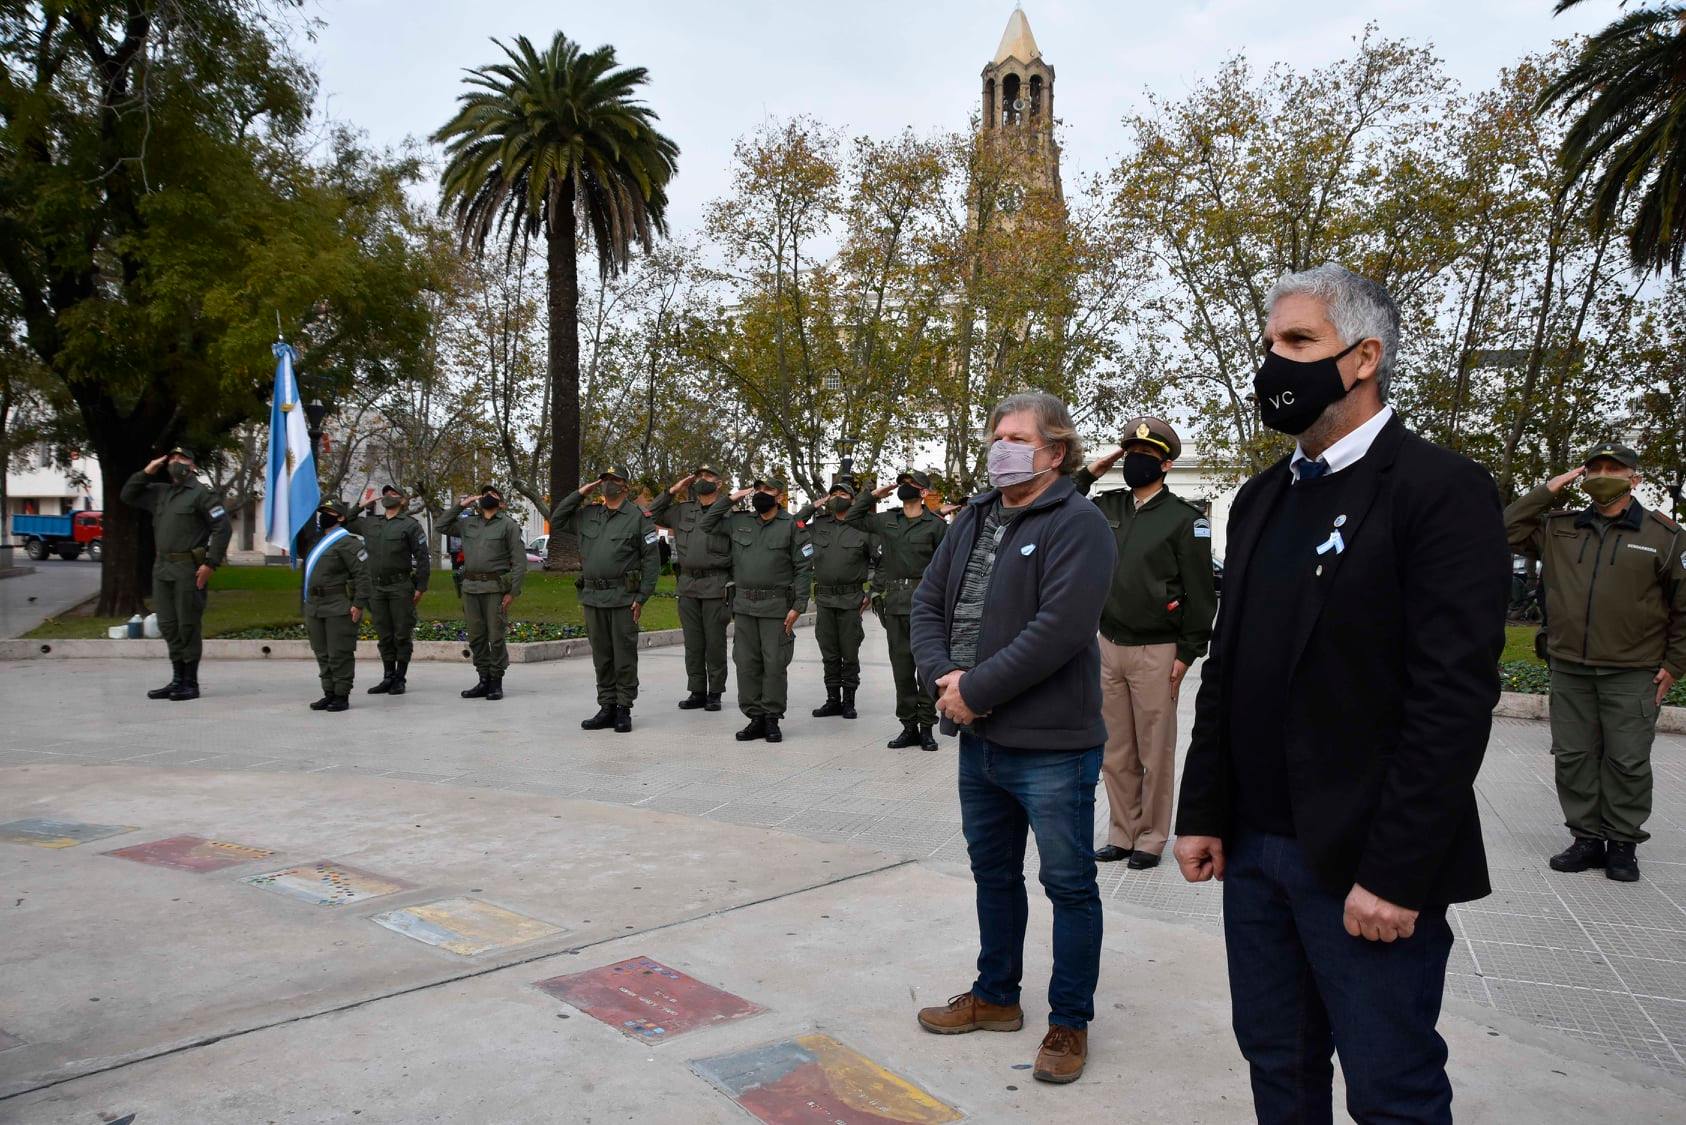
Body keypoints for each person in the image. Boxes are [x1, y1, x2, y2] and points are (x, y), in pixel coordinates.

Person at [1172, 263, 1509, 1124]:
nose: (1273, 362)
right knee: (1277, 1066)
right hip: (1254, 854)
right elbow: (1227, 670)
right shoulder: (1259, 499)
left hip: (1365, 867)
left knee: (1391, 1089)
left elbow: (1451, 702)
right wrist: (1202, 809)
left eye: (1298, 341)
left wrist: (1395, 874)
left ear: (1364, 357)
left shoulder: (1440, 490)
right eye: (1269, 343)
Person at [909, 392, 1116, 1085]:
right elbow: (927, 603)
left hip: (1052, 746)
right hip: (980, 739)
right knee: (993, 875)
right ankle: (996, 996)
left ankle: (1069, 1021)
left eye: (1018, 438)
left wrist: (975, 690)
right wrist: (943, 677)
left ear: (1055, 452)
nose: (1001, 448)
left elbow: (1060, 630)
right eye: (997, 436)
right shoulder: (973, 516)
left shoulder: (1079, 524)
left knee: (1068, 884)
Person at [1505, 442, 1684, 883]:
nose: (1603, 475)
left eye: (1613, 469)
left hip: (1633, 669)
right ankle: (1586, 838)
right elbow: (1503, 529)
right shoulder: (1559, 528)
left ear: (1634, 479)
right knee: (1573, 756)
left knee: (1627, 760)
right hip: (1569, 665)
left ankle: (1622, 844)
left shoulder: (1665, 536)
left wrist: (1675, 663)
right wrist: (1548, 489)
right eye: (1595, 468)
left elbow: (1684, 606)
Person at [1073, 418, 1217, 870]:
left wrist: (1188, 653)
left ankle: (1151, 839)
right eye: (1131, 453)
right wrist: (1093, 470)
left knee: (1155, 751)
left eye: (1146, 456)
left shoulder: (1185, 520)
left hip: (1158, 650)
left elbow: (1201, 593)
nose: (1136, 461)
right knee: (1116, 750)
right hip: (1109, 644)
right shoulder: (1107, 506)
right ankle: (1122, 832)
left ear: (1166, 464)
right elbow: (1058, 498)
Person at [698, 477, 812, 743]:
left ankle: (771, 718)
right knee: (746, 663)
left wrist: (798, 606)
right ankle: (755, 717)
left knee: (774, 664)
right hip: (745, 606)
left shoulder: (792, 525)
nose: (761, 494)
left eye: (768, 490)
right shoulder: (740, 521)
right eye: (758, 489)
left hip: (776, 607)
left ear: (780, 496)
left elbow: (804, 568)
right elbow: (706, 523)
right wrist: (729, 499)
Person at [550, 465, 661, 733]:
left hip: (623, 597)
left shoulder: (638, 518)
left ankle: (623, 708)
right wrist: (580, 493)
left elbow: (651, 561)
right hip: (593, 596)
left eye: (614, 479)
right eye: (604, 479)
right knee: (601, 656)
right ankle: (606, 706)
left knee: (623, 655)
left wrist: (642, 597)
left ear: (625, 486)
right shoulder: (588, 515)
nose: (608, 483)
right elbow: (557, 519)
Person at [120, 446, 232, 702]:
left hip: (187, 569)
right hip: (162, 568)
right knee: (168, 624)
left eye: (182, 458)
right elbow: (128, 495)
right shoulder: (161, 492)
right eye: (172, 458)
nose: (175, 462)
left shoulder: (202, 494)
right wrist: (148, 471)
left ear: (192, 465)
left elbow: (223, 528)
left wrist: (211, 564)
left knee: (187, 624)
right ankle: (177, 678)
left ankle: (190, 682)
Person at [846, 470, 949, 749]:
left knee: (925, 668)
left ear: (924, 492)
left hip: (927, 605)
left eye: (911, 484)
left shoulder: (936, 526)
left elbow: (947, 568)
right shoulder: (887, 520)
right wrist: (872, 495)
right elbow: (852, 517)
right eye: (902, 483)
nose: (905, 487)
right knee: (902, 668)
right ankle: (908, 726)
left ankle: (926, 727)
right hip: (895, 604)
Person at [650, 464, 733, 711]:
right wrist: (672, 491)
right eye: (699, 476)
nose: (702, 479)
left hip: (716, 585)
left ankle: (715, 692)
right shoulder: (682, 511)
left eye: (708, 476)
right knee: (693, 644)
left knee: (715, 643)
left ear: (719, 483)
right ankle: (697, 691)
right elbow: (650, 513)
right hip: (687, 585)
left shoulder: (729, 515)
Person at [439, 484, 525, 701]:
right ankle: (483, 679)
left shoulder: (508, 525)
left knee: (496, 637)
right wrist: (461, 505)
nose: (488, 496)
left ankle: (496, 681)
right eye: (485, 493)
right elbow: (441, 525)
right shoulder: (468, 523)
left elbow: (519, 562)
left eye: (493, 494)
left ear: (501, 503)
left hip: (495, 589)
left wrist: (512, 592)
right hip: (470, 588)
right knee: (476, 637)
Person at [798, 479, 874, 721]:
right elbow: (794, 524)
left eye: (843, 494)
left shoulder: (863, 528)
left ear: (853, 500)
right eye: (834, 494)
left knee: (849, 653)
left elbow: (880, 563)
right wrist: (812, 506)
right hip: (825, 600)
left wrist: (871, 592)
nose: (837, 497)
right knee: (829, 653)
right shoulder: (818, 526)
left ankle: (849, 702)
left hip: (851, 600)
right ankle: (832, 700)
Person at [351, 484, 431, 696]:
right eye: (386, 493)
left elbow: (422, 557)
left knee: (401, 633)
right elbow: (346, 521)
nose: (388, 496)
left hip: (400, 586)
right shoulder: (370, 523)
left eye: (393, 494)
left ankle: (399, 678)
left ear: (403, 500)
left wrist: (421, 587)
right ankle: (388, 676)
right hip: (376, 587)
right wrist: (361, 505)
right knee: (384, 633)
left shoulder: (410, 525)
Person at [300, 498, 372, 712]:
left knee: (339, 653)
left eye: (329, 512)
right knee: (321, 653)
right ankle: (328, 692)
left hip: (337, 605)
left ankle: (341, 695)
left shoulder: (349, 543)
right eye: (322, 512)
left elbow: (363, 575)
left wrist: (358, 603)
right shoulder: (317, 542)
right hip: (315, 606)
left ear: (340, 517)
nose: (324, 516)